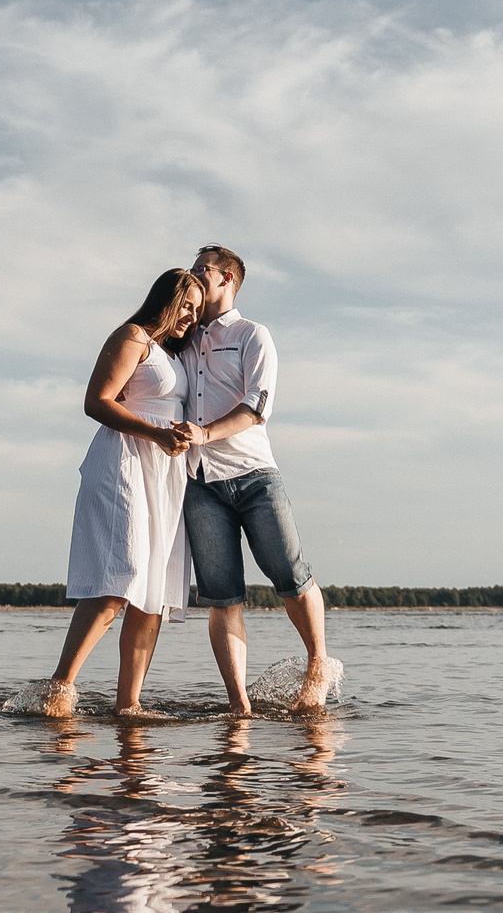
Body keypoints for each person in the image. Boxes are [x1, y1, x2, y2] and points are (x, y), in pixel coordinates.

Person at [35, 267, 205, 719]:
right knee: (119, 579)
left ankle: (128, 705)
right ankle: (58, 690)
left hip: (165, 476)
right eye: (186, 306)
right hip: (124, 464)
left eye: (197, 310)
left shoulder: (172, 354)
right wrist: (155, 434)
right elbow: (97, 400)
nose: (191, 316)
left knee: (153, 594)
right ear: (165, 300)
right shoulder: (134, 338)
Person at [172, 245, 334, 714]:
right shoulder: (179, 339)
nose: (194, 275)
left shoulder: (252, 335)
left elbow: (256, 406)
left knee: (290, 575)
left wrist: (204, 432)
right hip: (200, 484)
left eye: (202, 269)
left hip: (255, 477)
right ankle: (239, 704)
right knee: (222, 597)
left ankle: (318, 665)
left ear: (227, 280)